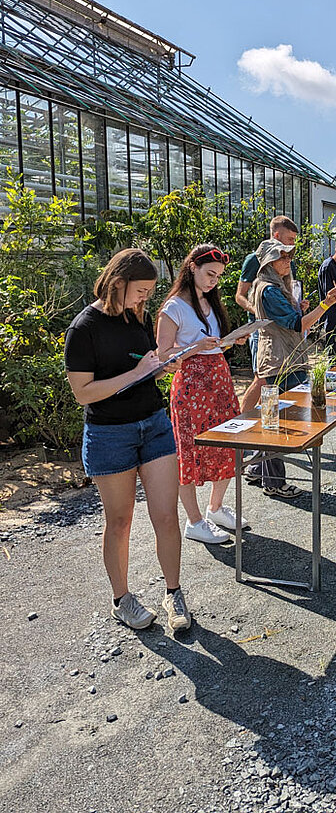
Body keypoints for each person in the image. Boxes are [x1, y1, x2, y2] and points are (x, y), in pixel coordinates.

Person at [64, 249, 191, 634]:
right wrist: (136, 372)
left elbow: (143, 365)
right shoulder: (83, 329)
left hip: (153, 424)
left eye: (150, 292)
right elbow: (83, 393)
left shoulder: (138, 316)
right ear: (118, 283)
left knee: (167, 516)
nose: (145, 299)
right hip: (109, 434)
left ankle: (173, 594)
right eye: (141, 290)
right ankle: (123, 600)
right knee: (119, 521)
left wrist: (158, 367)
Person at [157, 244, 250, 546]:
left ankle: (216, 508)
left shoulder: (209, 303)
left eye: (218, 276)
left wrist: (229, 342)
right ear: (192, 268)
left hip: (219, 382)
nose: (213, 281)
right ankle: (194, 520)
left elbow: (213, 343)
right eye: (209, 274)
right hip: (191, 388)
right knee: (189, 452)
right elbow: (164, 357)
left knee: (227, 443)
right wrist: (197, 347)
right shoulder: (173, 307)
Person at [247, 240, 336, 497]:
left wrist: (300, 309)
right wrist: (326, 305)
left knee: (275, 418)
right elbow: (295, 325)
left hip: (282, 357)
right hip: (281, 361)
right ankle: (273, 482)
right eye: (283, 257)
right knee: (280, 422)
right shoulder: (269, 289)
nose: (288, 261)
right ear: (269, 262)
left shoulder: (273, 287)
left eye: (289, 257)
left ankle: (258, 468)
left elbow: (288, 319)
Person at [235, 216, 306, 412]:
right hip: (263, 329)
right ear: (276, 235)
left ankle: (264, 418)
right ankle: (244, 420)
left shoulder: (286, 259)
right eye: (290, 239)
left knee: (273, 382)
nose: (293, 244)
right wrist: (261, 311)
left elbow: (285, 293)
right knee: (262, 378)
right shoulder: (256, 259)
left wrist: (295, 306)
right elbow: (240, 296)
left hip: (284, 326)